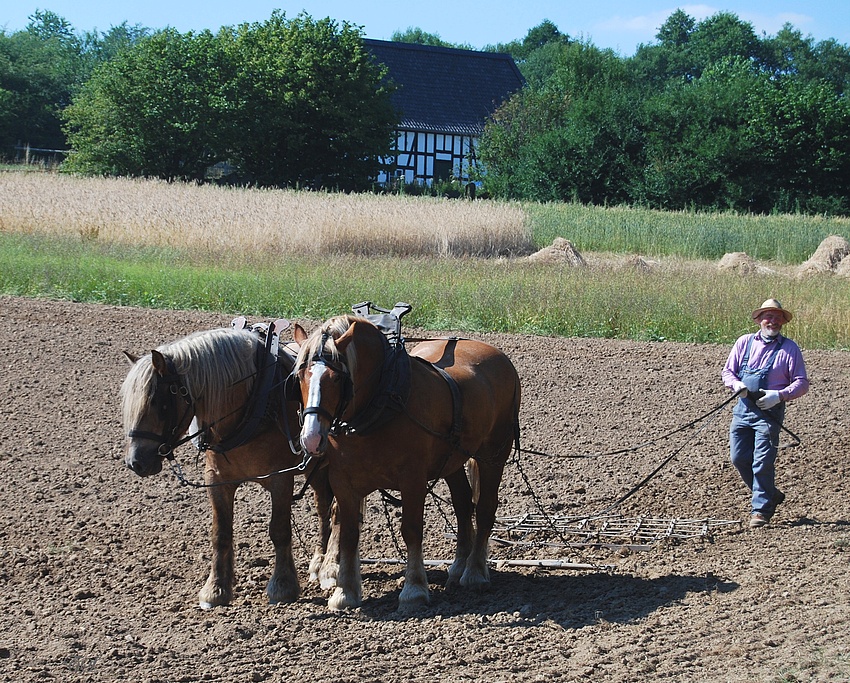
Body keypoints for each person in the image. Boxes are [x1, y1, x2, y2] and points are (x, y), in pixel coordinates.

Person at [722, 298, 809, 528]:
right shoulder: (744, 343)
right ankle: (771, 494)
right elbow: (728, 372)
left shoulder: (789, 349)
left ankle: (761, 510)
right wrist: (736, 386)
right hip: (742, 412)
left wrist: (778, 396)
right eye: (768, 316)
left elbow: (801, 383)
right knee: (739, 458)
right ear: (759, 320)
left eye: (777, 317)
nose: (773, 321)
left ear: (783, 321)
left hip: (769, 415)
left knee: (762, 462)